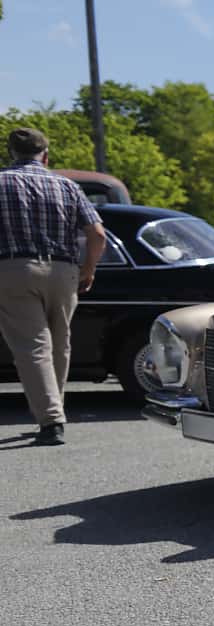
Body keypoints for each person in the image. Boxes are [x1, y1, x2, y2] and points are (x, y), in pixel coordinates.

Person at [0, 127, 108, 446]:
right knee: (59, 343)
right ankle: (54, 411)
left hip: (13, 267)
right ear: (46, 155)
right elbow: (97, 235)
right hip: (63, 270)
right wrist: (88, 270)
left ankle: (51, 421)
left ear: (11, 154)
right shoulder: (66, 185)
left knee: (33, 347)